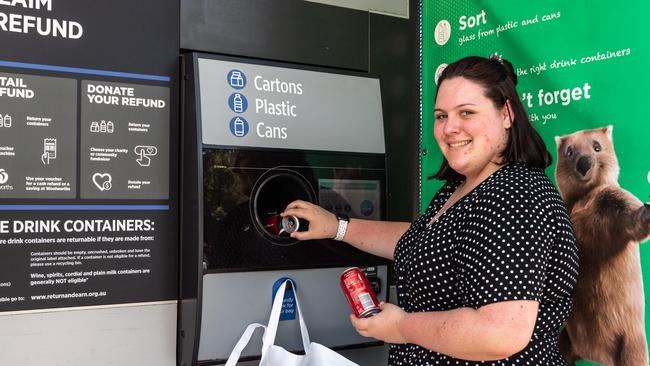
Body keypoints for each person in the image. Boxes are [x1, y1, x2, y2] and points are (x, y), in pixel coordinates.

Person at [282, 55, 579, 365]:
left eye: (466, 112)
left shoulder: (515, 197)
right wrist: (336, 227)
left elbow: (498, 333)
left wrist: (401, 326)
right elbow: (421, 243)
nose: (450, 128)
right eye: (441, 116)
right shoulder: (462, 187)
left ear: (506, 114)